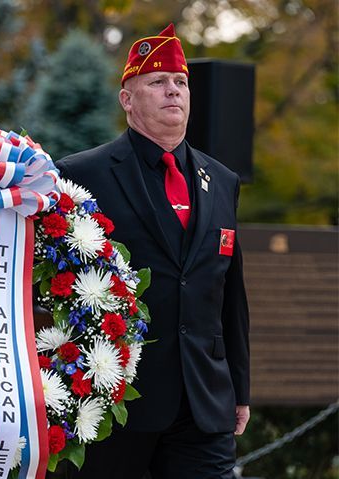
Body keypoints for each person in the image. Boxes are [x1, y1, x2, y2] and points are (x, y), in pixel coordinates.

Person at [56, 24, 250, 478]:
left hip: (203, 399)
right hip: (116, 398)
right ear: (127, 99)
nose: (172, 92)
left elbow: (229, 291)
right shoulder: (83, 174)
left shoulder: (221, 180)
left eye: (180, 82)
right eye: (157, 82)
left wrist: (239, 387)